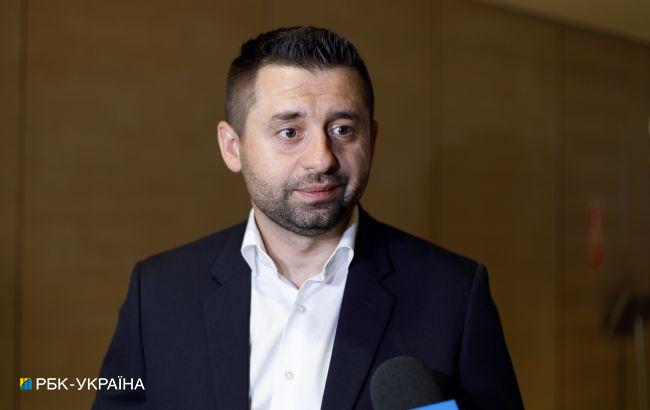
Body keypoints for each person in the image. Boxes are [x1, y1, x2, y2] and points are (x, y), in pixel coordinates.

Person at [93, 26, 523, 410]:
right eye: (289, 132)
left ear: (372, 139)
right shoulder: (159, 292)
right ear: (232, 147)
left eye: (342, 130)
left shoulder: (454, 296)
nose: (321, 158)